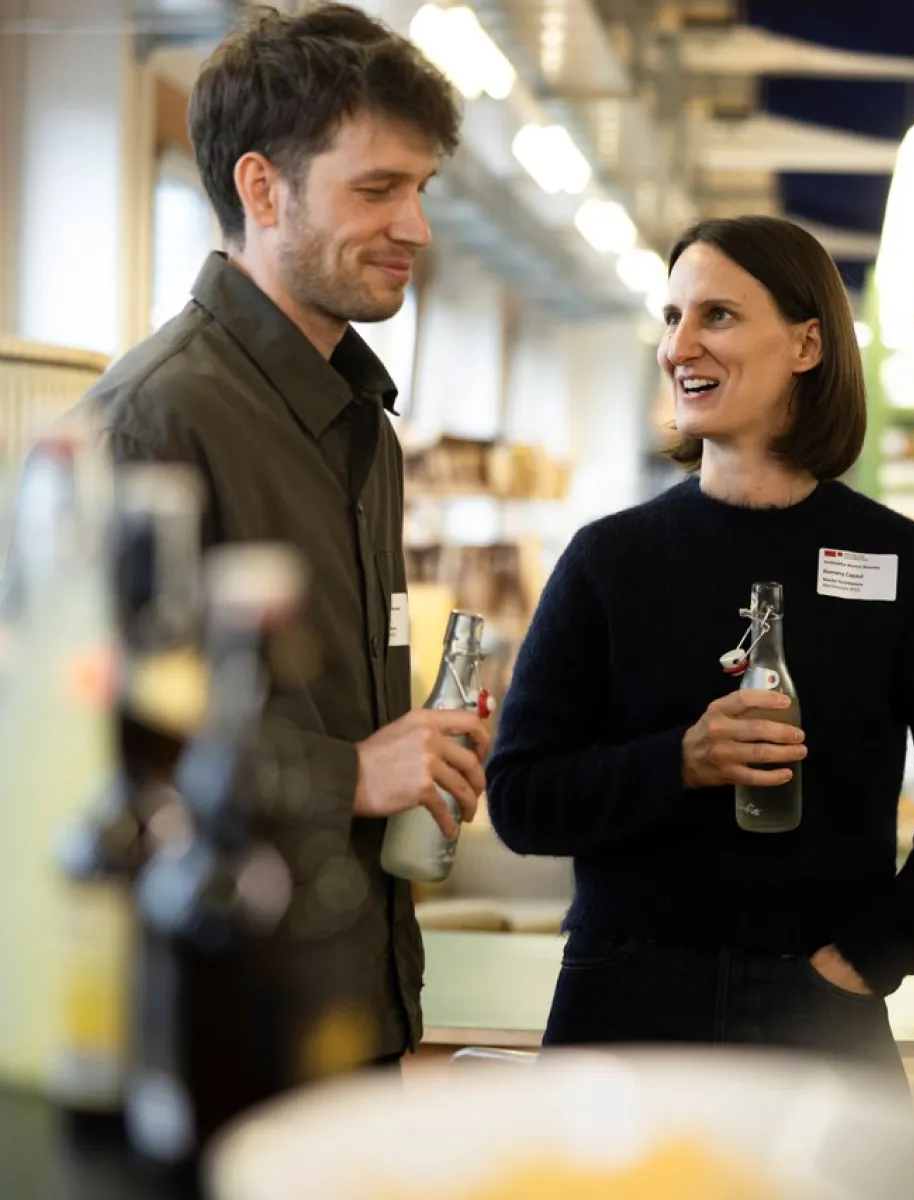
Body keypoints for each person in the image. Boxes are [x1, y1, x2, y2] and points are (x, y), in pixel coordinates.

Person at [485, 215, 914, 1093]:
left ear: (807, 343)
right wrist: (681, 762)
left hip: (822, 1007)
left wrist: (870, 955)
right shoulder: (609, 560)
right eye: (670, 318)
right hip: (625, 998)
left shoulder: (896, 562)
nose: (679, 346)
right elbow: (519, 799)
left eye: (718, 316)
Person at [77, 3, 488, 1065]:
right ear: (262, 189)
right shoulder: (151, 422)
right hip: (220, 1025)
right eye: (377, 189)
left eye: (421, 189)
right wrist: (347, 776)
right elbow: (87, 747)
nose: (417, 228)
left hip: (357, 993)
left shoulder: (362, 427)